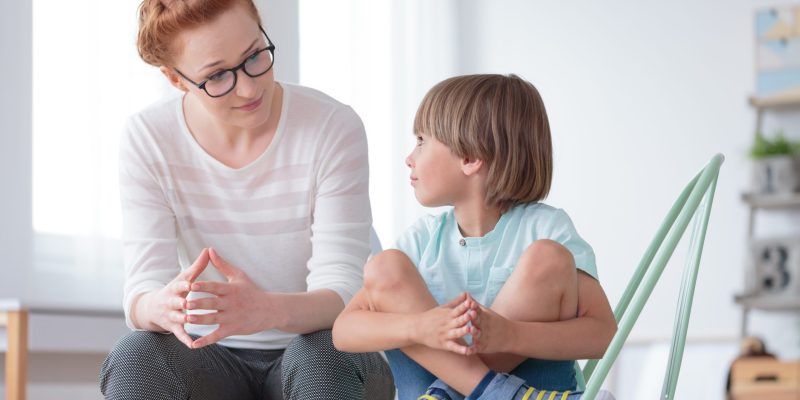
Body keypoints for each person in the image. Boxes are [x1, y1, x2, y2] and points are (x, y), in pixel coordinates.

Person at [99, 1, 394, 399]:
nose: (251, 87)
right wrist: (161, 305)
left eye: (255, 55)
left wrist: (266, 309)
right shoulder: (148, 138)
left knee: (325, 353)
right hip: (209, 358)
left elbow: (343, 294)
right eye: (218, 75)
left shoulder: (331, 126)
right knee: (137, 353)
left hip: (315, 350)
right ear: (175, 79)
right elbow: (141, 293)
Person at [332, 74, 618, 400]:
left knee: (548, 257)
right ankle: (498, 393)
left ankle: (462, 393)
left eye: (422, 141)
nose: (410, 157)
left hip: (539, 389)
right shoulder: (421, 241)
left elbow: (602, 333)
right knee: (385, 267)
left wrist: (510, 334)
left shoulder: (546, 229)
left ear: (469, 158)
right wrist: (422, 327)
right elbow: (344, 331)